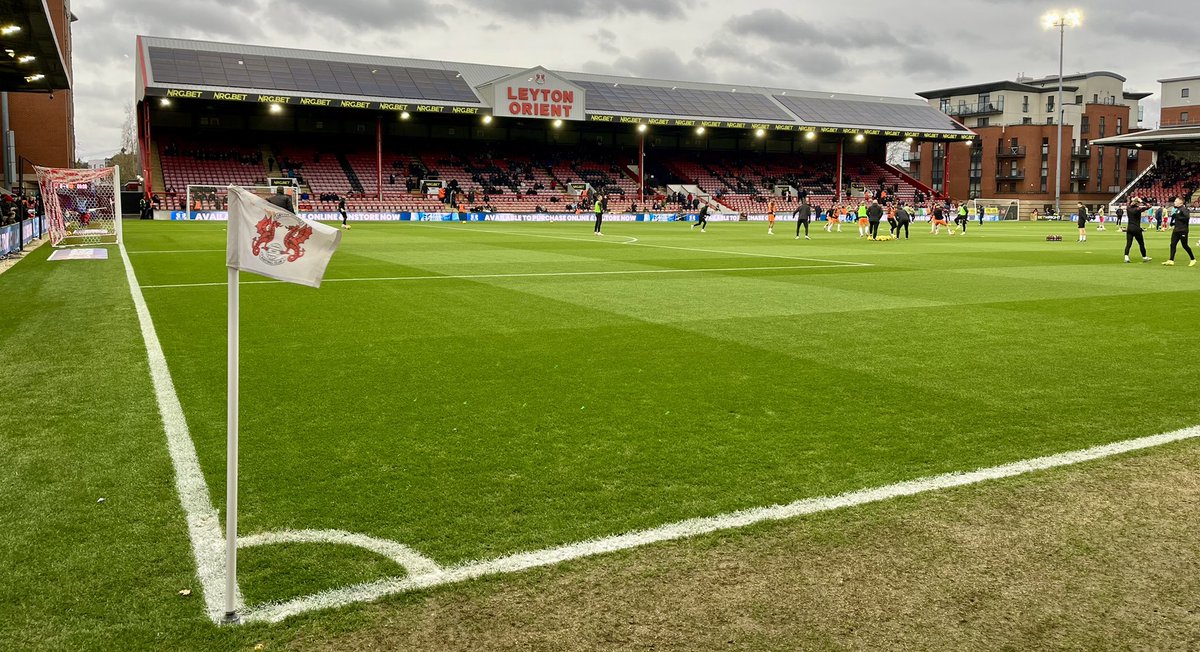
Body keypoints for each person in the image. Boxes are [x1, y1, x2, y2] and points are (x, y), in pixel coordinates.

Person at [1162, 196, 1195, 266]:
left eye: (1176, 201)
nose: (1174, 202)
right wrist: (1173, 223)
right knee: (1172, 244)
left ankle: (1193, 259)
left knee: (1185, 245)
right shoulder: (1177, 209)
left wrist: (1177, 217)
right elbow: (1178, 219)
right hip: (1176, 230)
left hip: (1183, 230)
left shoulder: (1184, 209)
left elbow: (1187, 218)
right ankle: (1171, 260)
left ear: (1181, 202)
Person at [1123, 197, 1151, 263]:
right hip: (1136, 228)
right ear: (1138, 203)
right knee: (1141, 243)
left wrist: (1131, 200)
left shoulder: (1128, 208)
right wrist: (1142, 201)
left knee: (1128, 243)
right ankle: (1144, 257)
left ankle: (1126, 257)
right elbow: (1149, 206)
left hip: (1129, 228)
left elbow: (1128, 204)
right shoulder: (1138, 209)